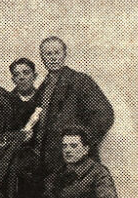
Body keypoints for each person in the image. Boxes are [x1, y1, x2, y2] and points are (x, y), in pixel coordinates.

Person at [31, 36, 114, 174]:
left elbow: (105, 114)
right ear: (42, 57)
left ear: (64, 54)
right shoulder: (44, 87)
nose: (53, 58)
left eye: (57, 53)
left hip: (75, 163)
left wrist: (82, 143)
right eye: (48, 54)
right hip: (49, 162)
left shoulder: (80, 81)